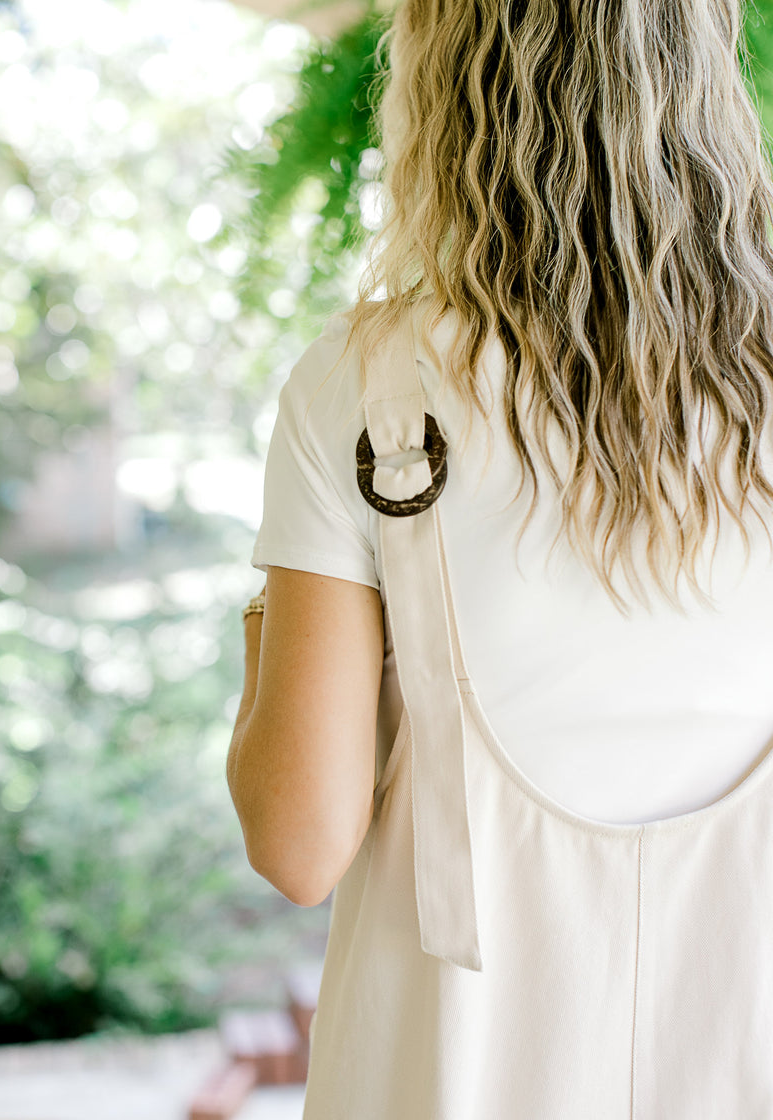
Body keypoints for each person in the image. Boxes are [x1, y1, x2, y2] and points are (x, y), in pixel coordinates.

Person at [226, 0, 773, 1115]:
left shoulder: (362, 393)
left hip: (452, 1070)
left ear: (434, 91)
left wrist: (266, 643)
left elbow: (296, 843)